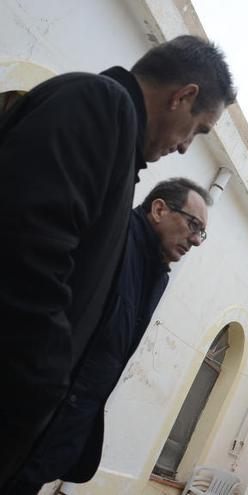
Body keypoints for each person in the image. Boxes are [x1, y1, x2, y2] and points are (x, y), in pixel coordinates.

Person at [0, 36, 235, 490]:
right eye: (198, 129)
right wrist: (47, 391)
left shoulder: (118, 143)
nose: (187, 147)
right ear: (183, 96)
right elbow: (28, 258)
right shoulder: (99, 105)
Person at [6, 178, 212, 493]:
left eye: (202, 232)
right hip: (21, 427)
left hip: (52, 444)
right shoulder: (111, 236)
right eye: (193, 224)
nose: (196, 240)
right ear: (158, 209)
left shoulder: (155, 275)